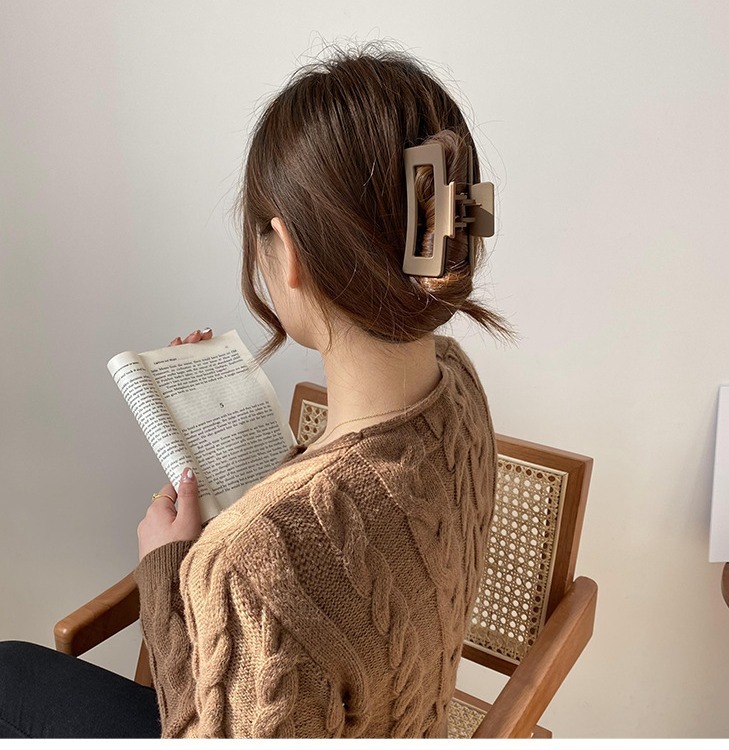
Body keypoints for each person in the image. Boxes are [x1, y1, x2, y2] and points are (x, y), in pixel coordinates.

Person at [0, 40, 513, 738]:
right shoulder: (457, 386)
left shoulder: (251, 566)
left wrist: (167, 569)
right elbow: (357, 506)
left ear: (288, 252)